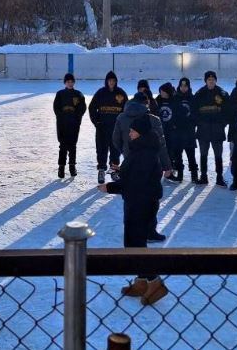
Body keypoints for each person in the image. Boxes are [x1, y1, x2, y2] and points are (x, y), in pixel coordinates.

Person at [98, 112, 169, 306]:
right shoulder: (140, 148)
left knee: (136, 245)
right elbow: (134, 175)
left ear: (141, 132)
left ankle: (154, 282)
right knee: (133, 243)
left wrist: (110, 187)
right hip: (137, 202)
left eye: (132, 130)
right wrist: (121, 170)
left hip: (142, 203)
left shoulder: (145, 153)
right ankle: (141, 281)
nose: (129, 132)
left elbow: (135, 183)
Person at [112, 91, 172, 243]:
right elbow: (161, 145)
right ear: (146, 103)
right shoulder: (153, 119)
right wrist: (167, 165)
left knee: (131, 197)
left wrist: (126, 153)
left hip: (130, 162)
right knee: (151, 198)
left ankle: (133, 230)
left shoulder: (121, 117)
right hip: (151, 164)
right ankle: (149, 232)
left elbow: (115, 140)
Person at [88, 71, 127, 184]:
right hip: (102, 128)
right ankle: (101, 170)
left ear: (116, 82)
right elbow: (92, 108)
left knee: (115, 150)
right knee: (101, 149)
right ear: (106, 81)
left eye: (113, 81)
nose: (111, 82)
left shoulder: (121, 93)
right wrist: (97, 122)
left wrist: (122, 124)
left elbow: (126, 109)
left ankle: (114, 171)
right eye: (110, 80)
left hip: (116, 129)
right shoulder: (100, 93)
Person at [192, 71, 227, 186]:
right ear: (205, 81)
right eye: (209, 79)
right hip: (203, 130)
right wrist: (199, 123)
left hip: (217, 130)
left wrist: (223, 124)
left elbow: (229, 110)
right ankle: (203, 176)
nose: (211, 81)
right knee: (203, 154)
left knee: (218, 155)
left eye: (213, 79)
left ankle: (219, 177)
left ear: (216, 80)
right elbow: (194, 111)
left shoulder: (222, 93)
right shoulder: (199, 94)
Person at [52, 73, 86, 178]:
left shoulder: (78, 94)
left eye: (71, 82)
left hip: (74, 124)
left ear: (74, 82)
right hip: (62, 124)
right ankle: (61, 167)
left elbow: (82, 108)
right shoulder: (60, 94)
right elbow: (56, 108)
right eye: (68, 82)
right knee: (62, 145)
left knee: (72, 145)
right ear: (65, 83)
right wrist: (61, 117)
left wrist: (76, 118)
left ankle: (72, 166)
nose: (70, 83)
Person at [171, 77, 198, 183]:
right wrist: (174, 125)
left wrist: (192, 123)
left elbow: (196, 113)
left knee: (191, 154)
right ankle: (180, 175)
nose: (183, 88)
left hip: (189, 131)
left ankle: (194, 175)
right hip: (177, 131)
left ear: (188, 87)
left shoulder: (193, 98)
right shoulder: (175, 98)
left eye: (185, 86)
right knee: (178, 155)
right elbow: (172, 113)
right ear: (179, 86)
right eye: (182, 86)